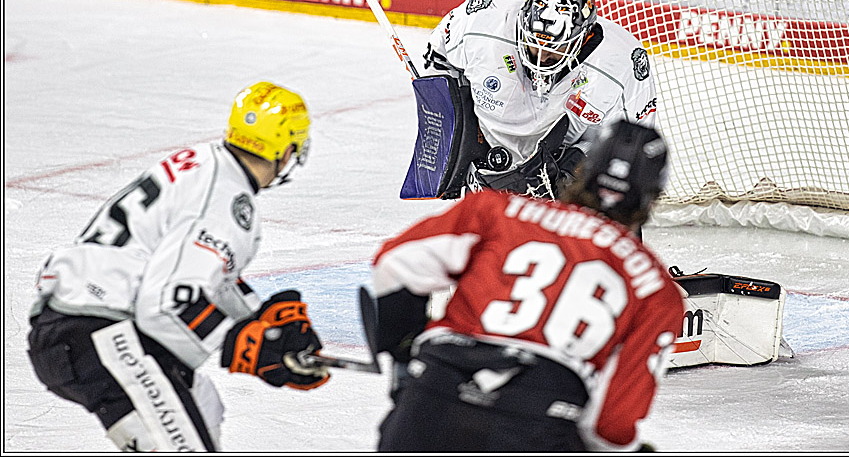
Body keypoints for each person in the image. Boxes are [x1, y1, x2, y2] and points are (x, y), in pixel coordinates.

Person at [26, 81, 331, 452]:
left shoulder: (206, 164)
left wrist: (260, 319)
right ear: (286, 150)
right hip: (100, 333)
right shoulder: (225, 198)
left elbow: (201, 281)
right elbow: (166, 303)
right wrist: (250, 345)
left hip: (75, 327)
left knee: (204, 405)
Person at [372, 119, 684, 452]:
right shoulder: (656, 290)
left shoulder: (498, 210)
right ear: (651, 196)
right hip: (537, 423)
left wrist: (404, 354)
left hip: (432, 402)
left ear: (584, 169)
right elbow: (610, 424)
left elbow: (396, 263)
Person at [418, 0, 659, 200]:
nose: (542, 59)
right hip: (486, 157)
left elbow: (632, 146)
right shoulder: (483, 19)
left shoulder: (623, 62)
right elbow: (438, 59)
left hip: (560, 168)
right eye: (534, 46)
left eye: (555, 50)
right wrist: (459, 135)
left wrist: (577, 166)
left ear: (583, 38)